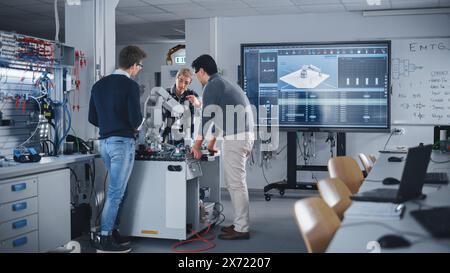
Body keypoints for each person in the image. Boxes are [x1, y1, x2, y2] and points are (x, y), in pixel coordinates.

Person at [88, 45, 146, 252]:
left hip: (104, 143)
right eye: (139, 66)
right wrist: (141, 120)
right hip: (122, 143)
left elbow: (92, 117)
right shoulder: (130, 85)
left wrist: (109, 122)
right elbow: (135, 120)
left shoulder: (98, 85)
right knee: (115, 193)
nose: (139, 69)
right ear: (132, 65)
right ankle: (104, 239)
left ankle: (111, 230)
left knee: (120, 190)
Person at [191, 54, 254, 240]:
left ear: (202, 71)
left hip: (237, 138)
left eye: (196, 73)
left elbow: (206, 117)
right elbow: (220, 117)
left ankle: (242, 229)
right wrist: (211, 143)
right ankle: (239, 223)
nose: (197, 78)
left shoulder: (212, 85)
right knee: (235, 183)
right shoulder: (223, 83)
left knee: (236, 184)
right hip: (241, 136)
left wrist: (196, 145)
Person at [162, 68, 201, 145]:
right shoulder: (165, 94)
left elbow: (202, 113)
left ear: (190, 82)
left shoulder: (193, 95)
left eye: (186, 82)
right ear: (176, 78)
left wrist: (198, 105)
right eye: (180, 81)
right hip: (168, 138)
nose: (182, 85)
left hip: (187, 138)